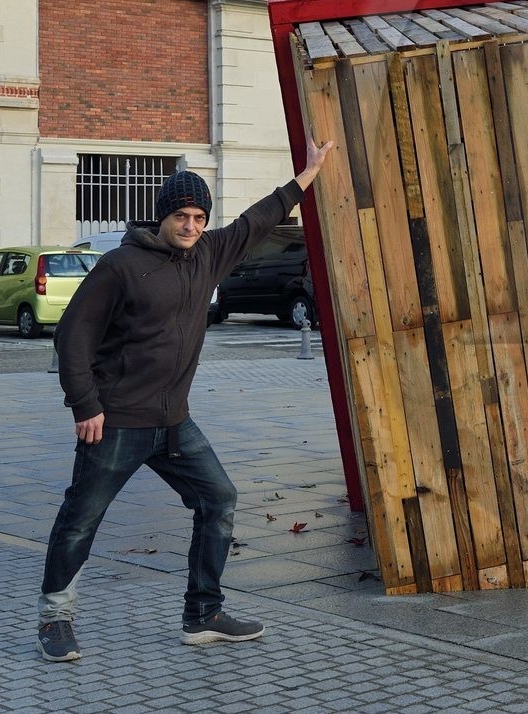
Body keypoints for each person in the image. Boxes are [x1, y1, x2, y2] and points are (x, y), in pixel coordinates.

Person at [37, 138, 334, 662]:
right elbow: (72, 337)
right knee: (82, 517)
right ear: (162, 217)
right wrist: (85, 404)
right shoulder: (121, 266)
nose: (192, 225)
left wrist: (307, 174)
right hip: (118, 423)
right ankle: (56, 618)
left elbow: (257, 220)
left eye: (199, 216)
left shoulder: (209, 254)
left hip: (175, 423)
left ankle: (203, 614)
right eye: (182, 215)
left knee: (218, 499)